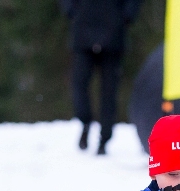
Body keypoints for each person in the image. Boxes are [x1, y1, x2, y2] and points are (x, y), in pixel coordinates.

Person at [60, 0, 142, 155]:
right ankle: (85, 121)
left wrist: (126, 16)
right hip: (83, 29)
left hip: (113, 32)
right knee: (79, 83)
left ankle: (104, 138)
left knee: (109, 91)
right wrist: (71, 11)